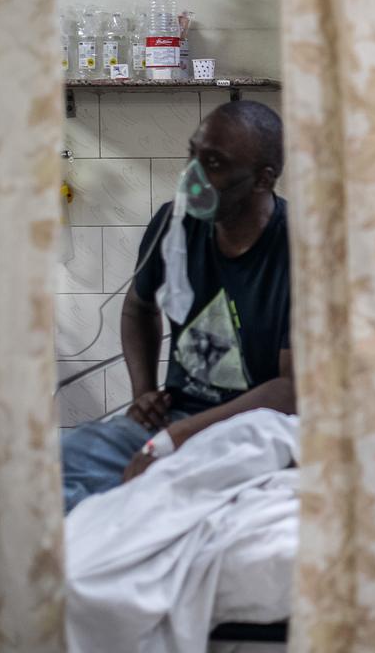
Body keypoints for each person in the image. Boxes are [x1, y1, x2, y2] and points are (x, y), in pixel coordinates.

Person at [61, 100, 292, 513]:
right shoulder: (175, 225)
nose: (192, 176)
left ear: (263, 179)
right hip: (173, 418)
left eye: (214, 163)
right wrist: (144, 392)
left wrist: (179, 438)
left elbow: (294, 388)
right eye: (193, 154)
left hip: (253, 435)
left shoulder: (298, 251)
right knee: (48, 469)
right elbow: (138, 308)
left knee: (158, 510)